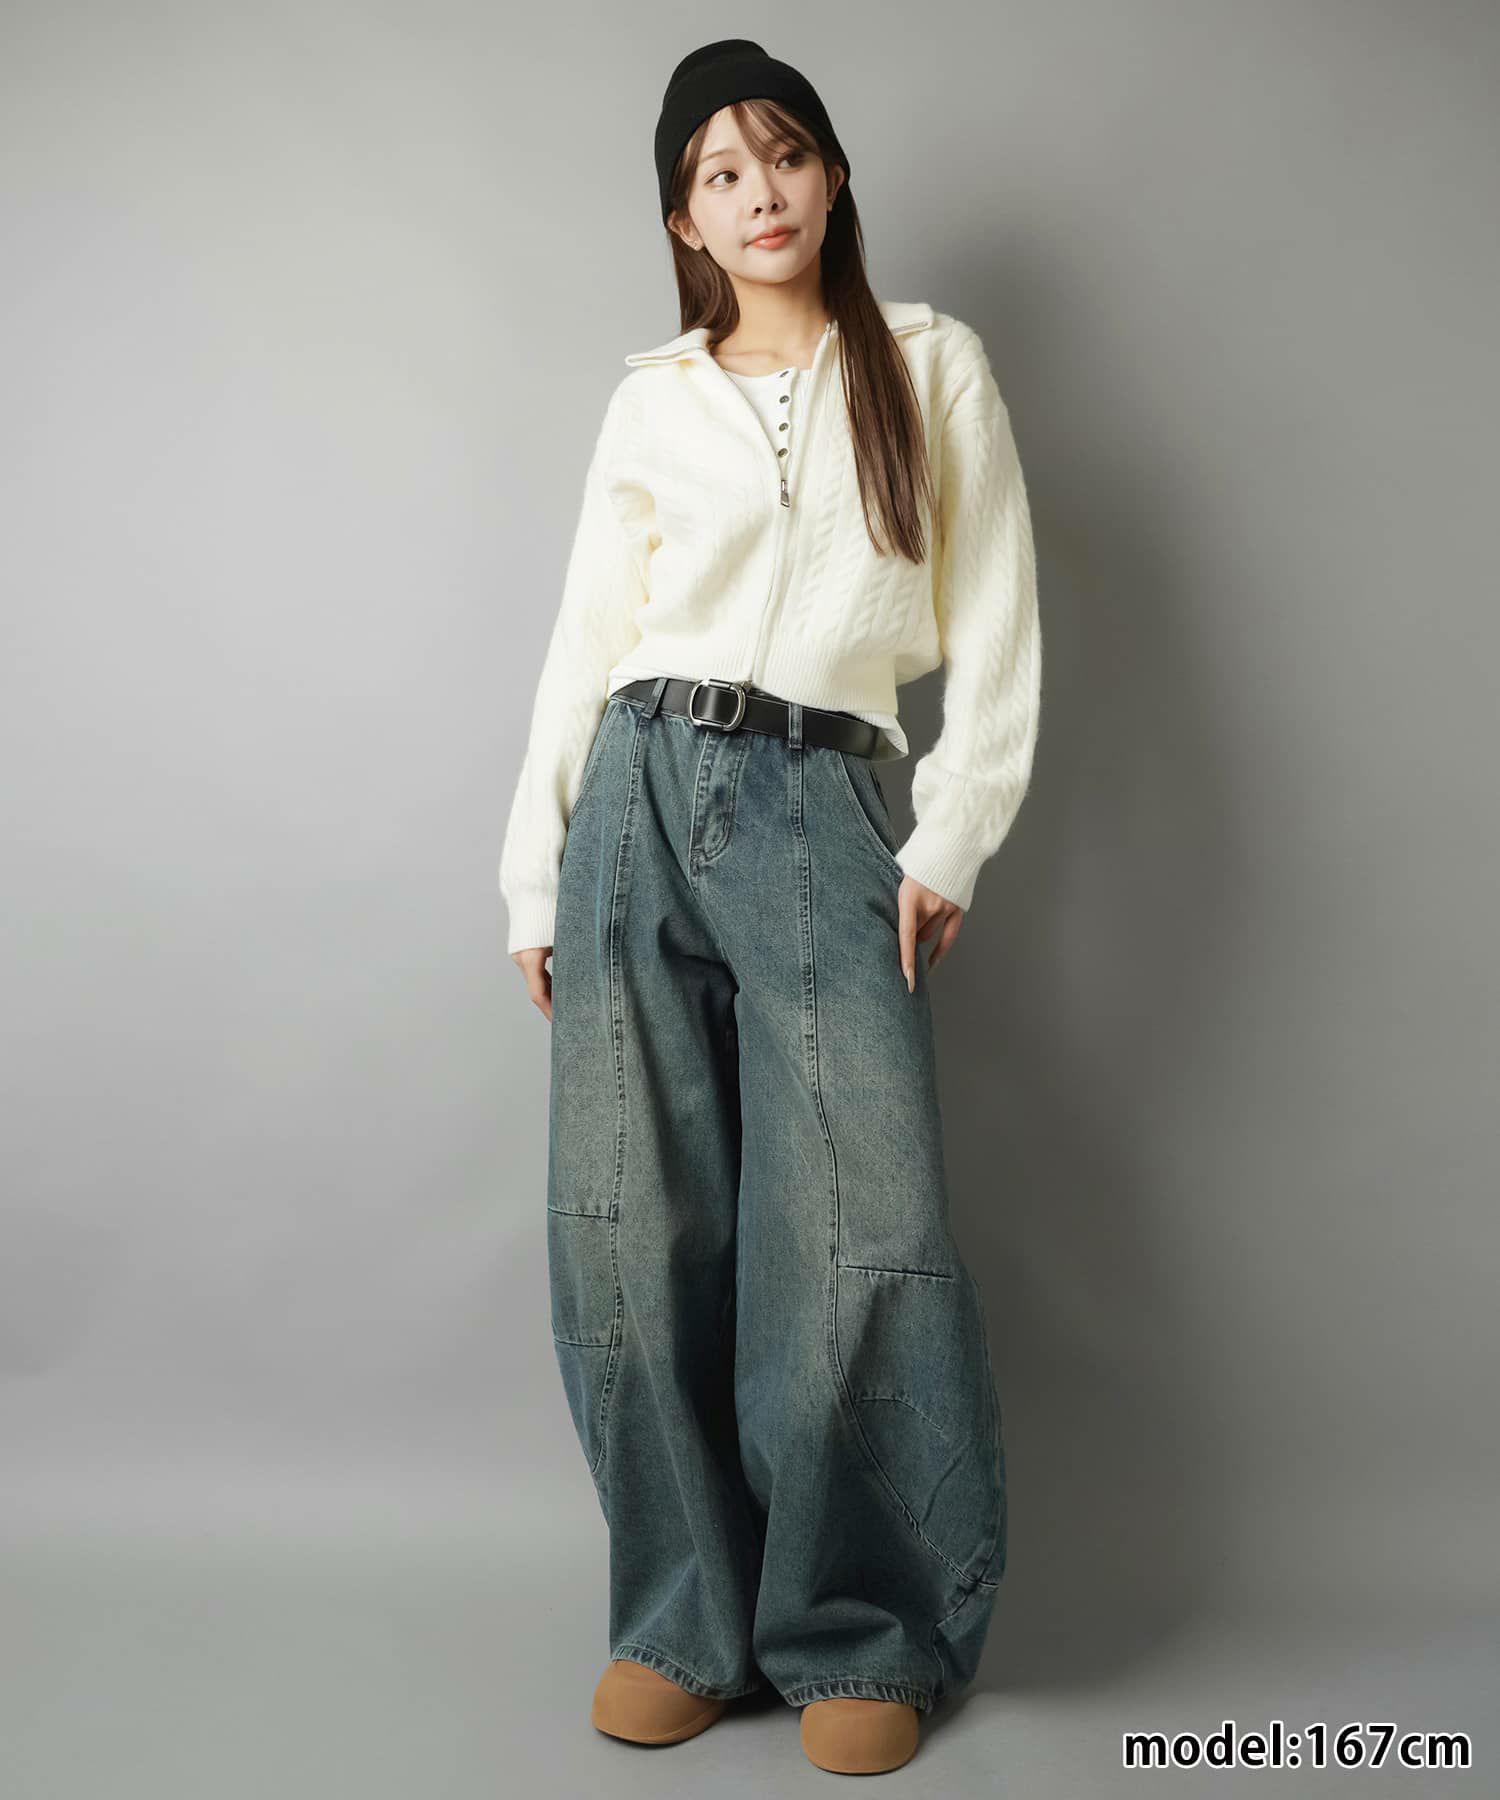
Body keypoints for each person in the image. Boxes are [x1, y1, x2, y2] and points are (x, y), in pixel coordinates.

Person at [498, 38, 1042, 1776]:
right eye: (720, 173)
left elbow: (998, 614)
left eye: (785, 154)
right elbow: (588, 640)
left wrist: (949, 835)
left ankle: (864, 1628)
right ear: (685, 219)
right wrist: (534, 868)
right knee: (629, 1218)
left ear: (833, 175)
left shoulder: (931, 365)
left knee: (856, 1220)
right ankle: (683, 1617)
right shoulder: (652, 398)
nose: (760, 193)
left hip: (827, 800)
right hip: (636, 796)